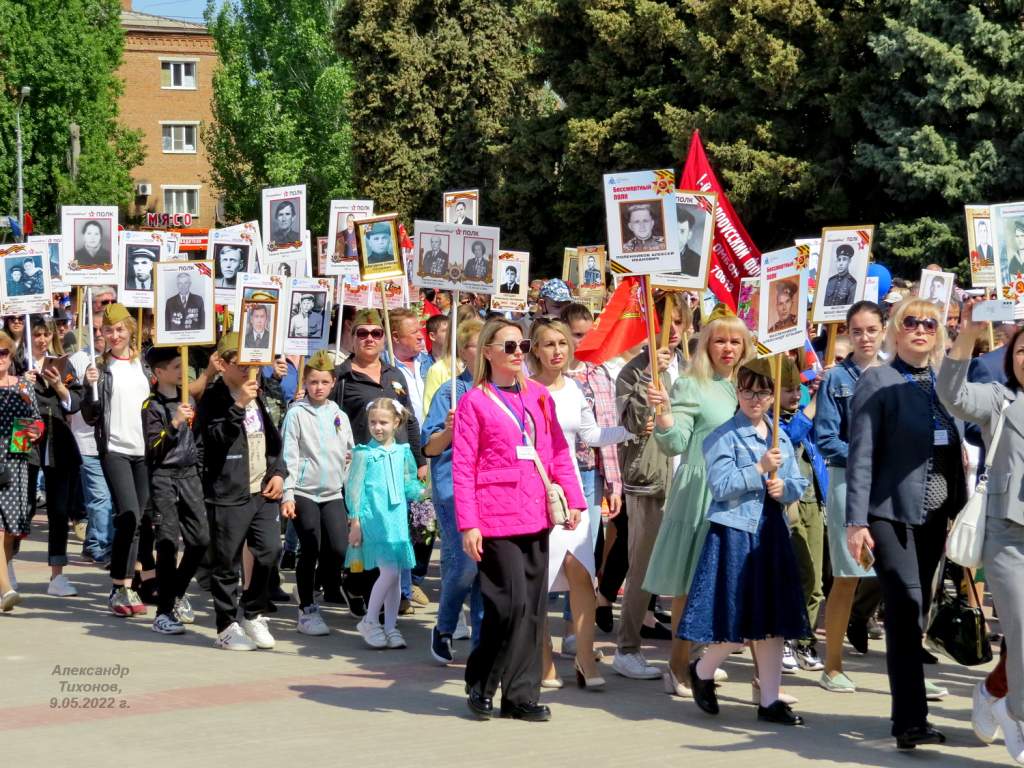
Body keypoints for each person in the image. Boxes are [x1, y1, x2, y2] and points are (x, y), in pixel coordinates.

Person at [845, 298, 966, 751]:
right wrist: (856, 521)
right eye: (911, 322)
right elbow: (861, 454)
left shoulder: (943, 383)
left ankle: (912, 717)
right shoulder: (878, 379)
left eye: (929, 324)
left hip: (935, 516)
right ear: (896, 331)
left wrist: (960, 510)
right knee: (905, 604)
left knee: (913, 613)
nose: (920, 329)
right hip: (890, 513)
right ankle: (910, 720)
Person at [452, 318, 586, 722]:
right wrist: (468, 524)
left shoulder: (539, 395)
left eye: (521, 345)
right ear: (488, 351)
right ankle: (481, 680)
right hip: (493, 516)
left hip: (535, 513)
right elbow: (462, 466)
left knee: (532, 609)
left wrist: (573, 499)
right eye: (508, 346)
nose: (517, 353)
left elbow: (559, 451)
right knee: (506, 606)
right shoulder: (475, 400)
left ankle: (520, 695)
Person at [681, 358, 811, 726]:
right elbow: (720, 486)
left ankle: (770, 700)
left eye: (763, 392)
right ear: (737, 392)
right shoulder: (723, 435)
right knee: (736, 617)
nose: (755, 399)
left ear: (773, 397)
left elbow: (797, 481)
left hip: (771, 532)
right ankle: (703, 670)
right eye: (748, 391)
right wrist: (757, 470)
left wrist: (785, 488)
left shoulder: (779, 435)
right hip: (736, 532)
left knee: (772, 619)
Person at [642, 304, 753, 695]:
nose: (727, 347)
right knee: (691, 582)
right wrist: (666, 416)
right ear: (705, 343)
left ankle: (706, 659)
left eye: (735, 341)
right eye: (720, 339)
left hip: (743, 493)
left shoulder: (751, 384)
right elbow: (675, 442)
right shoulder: (691, 384)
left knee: (733, 581)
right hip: (703, 490)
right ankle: (677, 663)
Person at [937, 302, 1024, 764]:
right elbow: (951, 393)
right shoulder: (999, 399)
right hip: (1008, 536)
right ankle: (1019, 714)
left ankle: (994, 692)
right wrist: (967, 334)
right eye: (1023, 350)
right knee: (1023, 632)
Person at [528, 318, 631, 689]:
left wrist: (632, 429)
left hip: (574, 493)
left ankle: (586, 661)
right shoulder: (523, 390)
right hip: (536, 493)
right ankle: (543, 662)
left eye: (561, 343)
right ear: (534, 350)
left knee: (581, 574)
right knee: (538, 581)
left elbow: (590, 435)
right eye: (548, 344)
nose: (557, 350)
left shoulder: (574, 388)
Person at [609, 297, 689, 680]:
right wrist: (648, 377)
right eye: (663, 322)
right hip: (650, 480)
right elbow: (636, 421)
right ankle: (626, 648)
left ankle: (690, 648)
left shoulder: (692, 367)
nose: (671, 330)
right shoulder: (632, 371)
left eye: (677, 322)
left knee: (689, 567)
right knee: (642, 566)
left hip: (687, 478)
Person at [195, 332, 286, 650]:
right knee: (226, 561)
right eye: (244, 364)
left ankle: (252, 611)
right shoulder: (214, 396)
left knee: (269, 551)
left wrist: (278, 473)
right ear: (223, 364)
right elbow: (215, 439)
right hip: (228, 490)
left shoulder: (257, 392)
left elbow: (272, 439)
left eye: (256, 364)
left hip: (262, 489)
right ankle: (225, 624)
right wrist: (239, 405)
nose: (251, 371)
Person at [813, 301, 885, 693]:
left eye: (872, 329)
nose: (865, 337)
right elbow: (826, 438)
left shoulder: (897, 375)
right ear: (847, 334)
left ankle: (907, 670)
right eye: (857, 331)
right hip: (847, 483)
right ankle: (833, 664)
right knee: (846, 577)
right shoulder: (835, 379)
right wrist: (868, 458)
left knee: (900, 578)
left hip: (889, 488)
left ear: (883, 330)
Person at [82, 304, 153, 617]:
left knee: (140, 520)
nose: (114, 335)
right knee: (128, 516)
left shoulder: (144, 364)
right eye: (108, 330)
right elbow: (90, 415)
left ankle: (128, 583)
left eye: (120, 329)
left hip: (144, 450)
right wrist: (90, 387)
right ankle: (118, 586)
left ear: (130, 330)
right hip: (115, 449)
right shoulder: (99, 366)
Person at [280, 350, 355, 636]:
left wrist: (351, 488)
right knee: (309, 546)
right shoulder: (296, 413)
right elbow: (290, 454)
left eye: (324, 382)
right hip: (304, 490)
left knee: (338, 547)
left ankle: (323, 585)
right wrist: (288, 493)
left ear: (333, 383)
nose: (318, 387)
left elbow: (348, 452)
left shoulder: (339, 414)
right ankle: (307, 609)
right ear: (305, 383)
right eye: (313, 382)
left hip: (333, 491)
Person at [424, 317, 484, 664]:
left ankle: (480, 645)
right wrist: (449, 429)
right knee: (465, 565)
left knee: (485, 569)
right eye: (479, 344)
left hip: (489, 490)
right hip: (453, 489)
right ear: (464, 351)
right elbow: (430, 447)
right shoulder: (450, 391)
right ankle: (445, 626)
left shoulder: (502, 390)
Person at [142, 346, 209, 636]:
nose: (181, 371)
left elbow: (198, 440)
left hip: (189, 474)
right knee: (167, 543)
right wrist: (174, 423)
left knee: (201, 540)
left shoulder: (189, 399)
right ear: (158, 373)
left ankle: (176, 593)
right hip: (164, 476)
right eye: (174, 366)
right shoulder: (151, 406)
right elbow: (153, 449)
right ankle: (163, 612)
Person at [346, 397, 423, 649]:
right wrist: (355, 521)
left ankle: (390, 627)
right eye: (373, 422)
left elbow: (409, 482)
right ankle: (370, 620)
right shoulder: (363, 454)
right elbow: (354, 490)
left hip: (397, 520)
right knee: (388, 572)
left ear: (396, 423)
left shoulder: (403, 452)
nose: (377, 427)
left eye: (383, 422)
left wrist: (424, 492)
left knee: (397, 576)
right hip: (374, 518)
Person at [24, 317, 83, 598]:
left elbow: (75, 402)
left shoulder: (61, 363)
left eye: (46, 334)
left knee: (59, 510)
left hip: (57, 435)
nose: (42, 339)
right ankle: (6, 567)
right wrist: (20, 384)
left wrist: (60, 386)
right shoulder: (15, 362)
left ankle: (57, 575)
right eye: (37, 334)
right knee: (21, 508)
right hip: (23, 434)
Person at [0, 331, 42, 612]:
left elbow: (37, 423)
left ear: (10, 355)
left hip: (15, 461)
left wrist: (30, 432)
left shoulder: (23, 387)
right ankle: (6, 590)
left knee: (9, 532)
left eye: (3, 352)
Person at [69, 325, 114, 565]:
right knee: (101, 499)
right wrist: (87, 383)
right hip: (86, 442)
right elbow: (69, 397)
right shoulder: (77, 359)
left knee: (111, 499)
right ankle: (102, 547)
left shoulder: (118, 359)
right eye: (94, 328)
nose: (100, 333)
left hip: (112, 441)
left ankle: (94, 543)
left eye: (103, 328)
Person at [677, 205, 701, 277]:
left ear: (689, 235)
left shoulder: (698, 262)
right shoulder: (656, 256)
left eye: (682, 231)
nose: (676, 236)